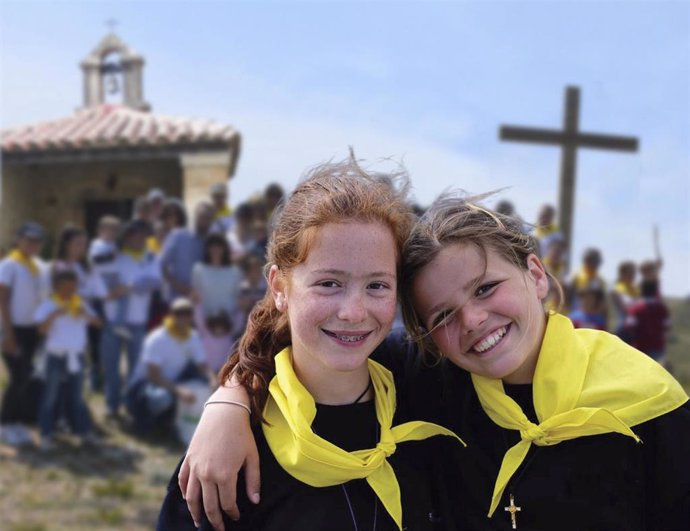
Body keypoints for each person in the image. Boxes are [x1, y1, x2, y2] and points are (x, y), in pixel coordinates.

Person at [182, 193, 690, 531]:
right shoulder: (431, 380)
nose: (472, 321)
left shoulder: (647, 403)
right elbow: (310, 343)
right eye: (443, 314)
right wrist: (230, 401)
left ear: (535, 274)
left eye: (487, 288)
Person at [159, 158, 463, 531]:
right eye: (329, 283)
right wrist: (230, 401)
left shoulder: (425, 390)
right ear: (279, 287)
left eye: (377, 285)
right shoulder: (236, 452)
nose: (354, 312)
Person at [100, 219, 161, 419]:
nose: (138, 238)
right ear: (126, 237)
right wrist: (129, 286)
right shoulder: (115, 257)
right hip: (113, 321)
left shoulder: (152, 257)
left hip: (138, 321)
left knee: (136, 368)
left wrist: (128, 286)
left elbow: (153, 283)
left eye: (142, 234)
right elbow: (106, 282)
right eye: (133, 235)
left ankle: (131, 406)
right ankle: (112, 405)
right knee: (112, 366)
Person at [34, 269, 101, 450]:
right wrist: (54, 315)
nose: (69, 291)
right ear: (57, 286)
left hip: (76, 356)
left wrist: (85, 314)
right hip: (55, 355)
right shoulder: (48, 304)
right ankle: (46, 434)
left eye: (73, 287)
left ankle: (84, 432)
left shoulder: (79, 304)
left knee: (77, 397)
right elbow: (40, 329)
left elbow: (97, 323)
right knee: (50, 396)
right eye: (66, 287)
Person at [127, 298, 214, 436]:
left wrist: (212, 380)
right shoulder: (157, 338)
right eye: (178, 313)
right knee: (163, 398)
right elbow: (152, 375)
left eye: (186, 314)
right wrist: (179, 391)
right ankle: (145, 421)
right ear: (171, 315)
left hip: (172, 383)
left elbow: (202, 364)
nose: (182, 318)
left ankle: (173, 422)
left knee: (201, 385)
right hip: (145, 385)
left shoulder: (192, 336)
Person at [0, 222, 46, 446]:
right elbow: (3, 300)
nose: (33, 244)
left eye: (37, 241)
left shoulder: (36, 265)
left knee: (25, 376)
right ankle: (5, 423)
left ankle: (17, 421)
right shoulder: (10, 264)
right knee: (17, 376)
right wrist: (7, 334)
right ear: (19, 240)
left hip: (31, 329)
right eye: (28, 240)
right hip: (13, 328)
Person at [160, 202, 214, 300]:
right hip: (174, 299)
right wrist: (176, 285)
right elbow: (161, 265)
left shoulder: (212, 244)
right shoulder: (178, 236)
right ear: (195, 216)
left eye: (208, 218)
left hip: (199, 302)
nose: (204, 221)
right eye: (202, 217)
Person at [191, 234, 244, 319]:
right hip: (204, 320)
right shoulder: (199, 270)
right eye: (212, 246)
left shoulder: (235, 272)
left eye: (219, 246)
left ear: (225, 249)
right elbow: (195, 297)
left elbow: (238, 297)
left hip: (229, 321)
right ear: (207, 249)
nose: (215, 249)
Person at [626, 279, 671, 366]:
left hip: (640, 347)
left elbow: (629, 325)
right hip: (658, 347)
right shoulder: (662, 308)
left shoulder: (636, 308)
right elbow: (667, 325)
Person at [611, 260, 639, 342]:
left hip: (636, 328)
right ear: (622, 274)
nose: (633, 275)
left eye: (634, 273)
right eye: (630, 273)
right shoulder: (618, 288)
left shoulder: (636, 289)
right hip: (623, 328)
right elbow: (626, 308)